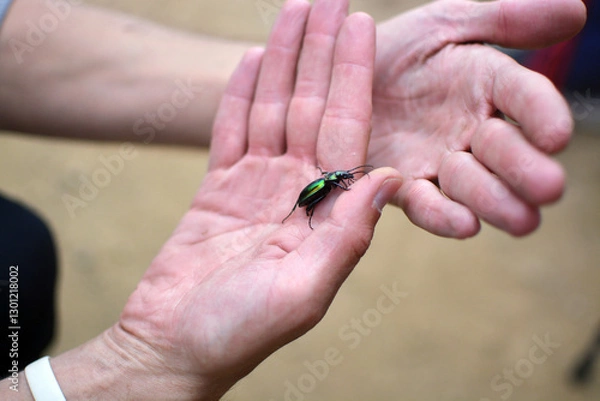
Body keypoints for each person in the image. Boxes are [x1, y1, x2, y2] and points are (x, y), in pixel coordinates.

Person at [0, 0, 586, 399]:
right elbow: (323, 190)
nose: (340, 182)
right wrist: (133, 367)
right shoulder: (326, 185)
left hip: (311, 184)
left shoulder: (331, 179)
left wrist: (329, 87)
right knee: (21, 252)